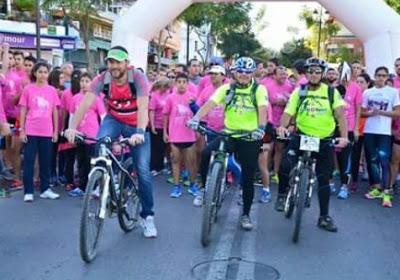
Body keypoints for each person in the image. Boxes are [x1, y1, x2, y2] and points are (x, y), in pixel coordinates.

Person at [65, 46, 157, 238]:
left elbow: (143, 107)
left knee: (143, 171)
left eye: (117, 61)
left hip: (136, 124)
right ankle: (107, 180)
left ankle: (147, 216)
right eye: (110, 62)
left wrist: (140, 132)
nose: (113, 66)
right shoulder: (103, 79)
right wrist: (72, 127)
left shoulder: (138, 78)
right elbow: (85, 103)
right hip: (114, 120)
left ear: (126, 63)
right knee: (100, 142)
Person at [188, 57, 268, 231]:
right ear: (234, 72)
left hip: (250, 137)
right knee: (207, 152)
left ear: (253, 73)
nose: (244, 75)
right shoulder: (226, 88)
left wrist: (261, 128)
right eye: (240, 71)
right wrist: (196, 118)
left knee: (248, 177)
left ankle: (245, 214)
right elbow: (211, 103)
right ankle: (203, 187)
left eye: (248, 72)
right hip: (229, 134)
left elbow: (262, 110)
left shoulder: (259, 90)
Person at [276, 57, 349, 233]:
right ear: (306, 73)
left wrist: (344, 137)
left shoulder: (331, 93)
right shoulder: (299, 91)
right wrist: (281, 127)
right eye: (311, 71)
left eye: (318, 71)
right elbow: (288, 112)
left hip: (323, 140)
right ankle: (281, 195)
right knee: (285, 165)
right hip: (301, 136)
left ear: (322, 73)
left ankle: (324, 217)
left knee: (324, 178)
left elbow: (340, 117)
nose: (314, 75)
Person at [19, 61, 60, 202]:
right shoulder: (28, 89)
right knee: (29, 161)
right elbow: (23, 109)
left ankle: (45, 189)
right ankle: (28, 191)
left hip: (47, 131)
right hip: (31, 130)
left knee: (46, 162)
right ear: (35, 73)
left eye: (45, 72)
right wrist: (22, 130)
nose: (42, 75)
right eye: (40, 72)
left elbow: (55, 110)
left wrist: (55, 131)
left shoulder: (52, 91)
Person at [362, 66, 400, 208]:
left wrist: (381, 113)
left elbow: (397, 113)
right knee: (372, 160)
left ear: (386, 77)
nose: (381, 78)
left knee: (384, 161)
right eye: (378, 75)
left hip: (384, 131)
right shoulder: (367, 92)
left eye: (384, 76)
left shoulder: (393, 92)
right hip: (370, 130)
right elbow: (362, 112)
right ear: (374, 76)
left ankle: (386, 192)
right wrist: (370, 113)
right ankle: (376, 187)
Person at [163, 73, 200, 198]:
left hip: (189, 136)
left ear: (188, 84)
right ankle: (176, 186)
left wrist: (193, 105)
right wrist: (164, 132)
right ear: (175, 83)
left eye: (184, 82)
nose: (182, 84)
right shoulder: (170, 98)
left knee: (191, 162)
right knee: (175, 161)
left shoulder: (192, 97)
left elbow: (199, 113)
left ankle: (193, 185)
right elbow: (166, 115)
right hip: (175, 136)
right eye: (179, 82)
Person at [69, 72, 106, 197]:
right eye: (82, 81)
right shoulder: (75, 98)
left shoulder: (96, 98)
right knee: (81, 162)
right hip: (80, 136)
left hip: (93, 136)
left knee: (92, 162)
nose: (84, 84)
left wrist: (104, 134)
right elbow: (72, 116)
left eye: (87, 81)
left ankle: (94, 187)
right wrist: (71, 131)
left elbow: (103, 117)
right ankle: (82, 187)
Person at [149, 79, 170, 175]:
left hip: (166, 125)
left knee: (163, 147)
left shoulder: (168, 95)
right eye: (165, 86)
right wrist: (152, 125)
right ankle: (154, 167)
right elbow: (152, 111)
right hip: (157, 124)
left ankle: (160, 166)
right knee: (155, 147)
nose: (166, 88)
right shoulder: (154, 96)